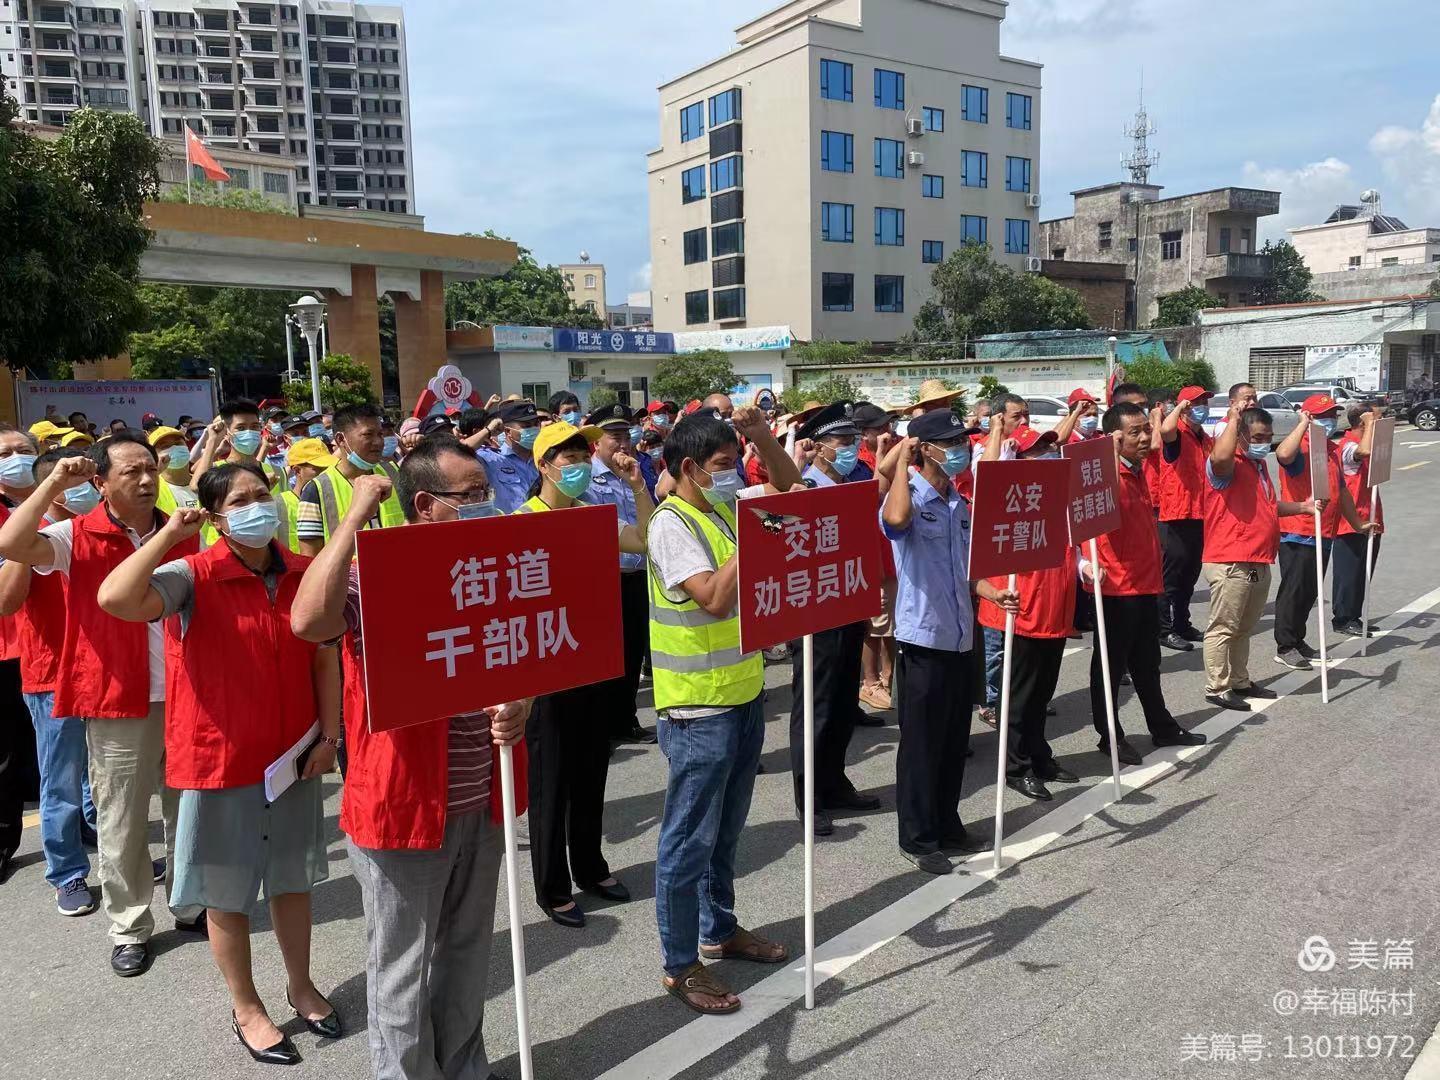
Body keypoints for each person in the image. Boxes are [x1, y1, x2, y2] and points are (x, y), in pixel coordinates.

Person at [290, 446, 530, 1080]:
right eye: (471, 493)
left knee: (469, 950)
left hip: (483, 795)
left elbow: (533, 646)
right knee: (400, 964)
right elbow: (309, 620)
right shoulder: (376, 571)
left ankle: (463, 1066)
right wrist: (352, 518)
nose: (487, 501)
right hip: (405, 804)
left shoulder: (500, 564)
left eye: (486, 489)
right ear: (425, 504)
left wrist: (526, 699)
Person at [97, 461, 342, 1065]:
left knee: (292, 880)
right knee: (227, 893)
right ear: (215, 515)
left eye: (264, 495)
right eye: (241, 500)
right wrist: (170, 534)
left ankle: (302, 986)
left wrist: (328, 737)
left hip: (292, 757)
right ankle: (247, 1007)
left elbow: (323, 660)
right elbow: (116, 597)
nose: (258, 507)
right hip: (218, 760)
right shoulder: (192, 575)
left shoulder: (302, 575)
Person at [0, 433, 206, 976]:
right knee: (121, 820)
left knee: (186, 812)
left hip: (187, 695)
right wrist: (50, 484)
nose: (145, 480)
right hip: (117, 700)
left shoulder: (182, 528)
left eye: (150, 469)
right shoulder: (76, 534)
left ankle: (189, 904)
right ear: (101, 482)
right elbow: (14, 545)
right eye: (130, 472)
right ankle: (131, 925)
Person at [647, 412, 796, 1014]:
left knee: (724, 832)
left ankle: (719, 928)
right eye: (723, 468)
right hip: (696, 710)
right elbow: (712, 599)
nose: (734, 477)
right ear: (688, 468)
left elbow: (788, 492)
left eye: (737, 464)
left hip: (741, 694)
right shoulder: (671, 524)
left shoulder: (722, 512)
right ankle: (680, 964)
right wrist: (758, 533)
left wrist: (761, 435)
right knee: (687, 840)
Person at [513, 419, 651, 926]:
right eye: (566, 457)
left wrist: (638, 486)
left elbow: (643, 540)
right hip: (546, 670)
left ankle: (590, 867)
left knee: (592, 770)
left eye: (580, 455)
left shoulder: (597, 516)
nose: (576, 465)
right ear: (543, 464)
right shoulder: (521, 520)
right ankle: (552, 887)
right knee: (551, 780)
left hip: (592, 658)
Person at [880, 410, 1012, 874]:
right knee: (921, 743)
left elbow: (966, 570)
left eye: (963, 440)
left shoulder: (960, 502)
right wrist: (902, 464)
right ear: (927, 449)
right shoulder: (909, 495)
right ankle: (917, 838)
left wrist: (992, 590)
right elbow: (894, 522)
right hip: (923, 639)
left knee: (955, 739)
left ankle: (948, 823)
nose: (961, 449)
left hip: (960, 635)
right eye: (951, 442)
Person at [0, 448, 99, 913]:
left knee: (107, 778)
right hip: (52, 675)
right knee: (59, 780)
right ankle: (67, 872)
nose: (82, 486)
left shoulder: (98, 528)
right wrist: (28, 536)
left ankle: (115, 851)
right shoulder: (28, 537)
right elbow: (6, 601)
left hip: (104, 672)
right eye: (69, 479)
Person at [1081, 404, 1206, 765]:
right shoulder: (1103, 476)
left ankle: (1162, 726)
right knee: (1109, 666)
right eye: (1133, 432)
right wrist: (1106, 448)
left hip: (1146, 585)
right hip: (1116, 588)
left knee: (1148, 663)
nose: (1143, 437)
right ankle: (1110, 736)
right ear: (1114, 437)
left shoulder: (1138, 472)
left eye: (1144, 430)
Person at [785, 403, 880, 837]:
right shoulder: (802, 484)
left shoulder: (854, 481)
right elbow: (772, 523)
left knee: (843, 702)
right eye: (843, 443)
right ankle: (810, 797)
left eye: (854, 441)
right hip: (815, 609)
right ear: (819, 448)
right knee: (816, 705)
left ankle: (835, 782)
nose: (852, 448)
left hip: (850, 599)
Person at [1202, 406, 1315, 711]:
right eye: (1256, 437)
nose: (1263, 443)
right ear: (1239, 435)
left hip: (1258, 559)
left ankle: (1239, 681)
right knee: (1224, 627)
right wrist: (1234, 419)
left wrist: (1303, 507)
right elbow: (1220, 457)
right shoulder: (1226, 465)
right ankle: (1218, 686)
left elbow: (1269, 506)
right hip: (1231, 560)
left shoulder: (1258, 467)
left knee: (1243, 627)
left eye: (1267, 437)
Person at [1272, 395, 1375, 669]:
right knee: (1294, 591)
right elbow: (1282, 455)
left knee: (1309, 592)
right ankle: (1285, 645)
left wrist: (1357, 524)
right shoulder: (1301, 447)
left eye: (1332, 414)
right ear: (1308, 417)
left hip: (1324, 532)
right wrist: (1302, 425)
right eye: (1322, 415)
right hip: (1299, 531)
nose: (1329, 420)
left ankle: (1297, 639)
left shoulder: (1330, 450)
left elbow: (1341, 492)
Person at [581, 403, 660, 748]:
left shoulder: (635, 472)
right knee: (605, 655)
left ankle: (625, 717)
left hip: (637, 574)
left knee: (632, 650)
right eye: (614, 436)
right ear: (596, 442)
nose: (622, 443)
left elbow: (651, 519)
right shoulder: (586, 477)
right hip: (604, 578)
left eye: (626, 434)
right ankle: (602, 724)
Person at [0, 426, 44, 885]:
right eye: (5, 453)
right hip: (6, 647)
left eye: (23, 451)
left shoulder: (61, 507)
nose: (15, 459)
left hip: (53, 648)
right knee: (7, 752)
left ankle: (79, 829)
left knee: (57, 757)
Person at [296, 403, 404, 555]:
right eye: (368, 435)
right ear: (341, 439)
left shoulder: (394, 473)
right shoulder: (316, 490)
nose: (379, 442)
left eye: (380, 434)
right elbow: (309, 558)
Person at [1155, 385, 1215, 652]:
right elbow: (1165, 431)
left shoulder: (1202, 437)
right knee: (1170, 578)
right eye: (1196, 403)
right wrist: (1179, 408)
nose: (1202, 407)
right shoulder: (1176, 433)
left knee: (1189, 576)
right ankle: (1164, 629)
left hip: (1199, 514)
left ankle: (1182, 623)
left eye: (1204, 402)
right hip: (1176, 515)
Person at [1332, 404, 1385, 635]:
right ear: (1363, 423)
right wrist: (1371, 422)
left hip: (1370, 516)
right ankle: (1343, 618)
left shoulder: (1367, 443)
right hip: (1351, 521)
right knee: (1348, 573)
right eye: (1376, 420)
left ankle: (1354, 615)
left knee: (1363, 572)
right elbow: (1361, 453)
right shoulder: (1347, 446)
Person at [476, 399, 542, 514]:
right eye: (526, 426)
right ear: (507, 431)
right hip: (509, 528)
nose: (533, 429)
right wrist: (487, 430)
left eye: (535, 424)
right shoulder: (490, 459)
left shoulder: (544, 459)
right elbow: (455, 453)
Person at [277, 438, 335, 555]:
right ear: (297, 470)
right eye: (318, 469)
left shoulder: (333, 499)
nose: (325, 474)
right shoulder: (279, 504)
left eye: (328, 468)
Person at [149, 426, 199, 515]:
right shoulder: (152, 489)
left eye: (178, 443)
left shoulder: (203, 483)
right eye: (165, 446)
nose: (175, 448)